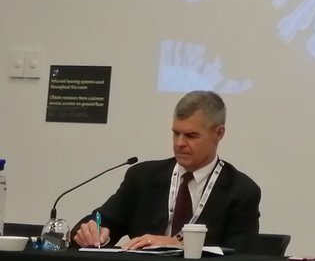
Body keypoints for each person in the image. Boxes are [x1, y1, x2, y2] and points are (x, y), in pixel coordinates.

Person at [71, 90, 261, 250]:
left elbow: (241, 256)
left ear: (218, 133)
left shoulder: (241, 190)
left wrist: (180, 246)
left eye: (191, 135)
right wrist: (91, 230)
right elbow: (103, 221)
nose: (179, 143)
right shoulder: (143, 177)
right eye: (176, 133)